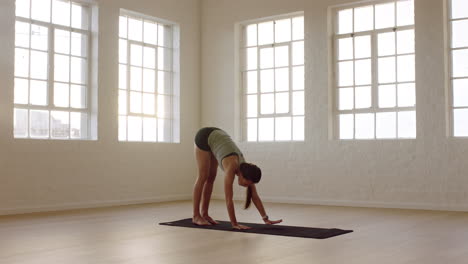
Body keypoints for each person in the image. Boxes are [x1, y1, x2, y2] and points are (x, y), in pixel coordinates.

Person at [192, 127, 282, 230]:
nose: (247, 186)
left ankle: (204, 214)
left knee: (211, 178)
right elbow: (228, 200)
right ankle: (196, 216)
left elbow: (255, 196)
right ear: (243, 176)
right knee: (203, 176)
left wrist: (265, 219)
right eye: (247, 183)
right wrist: (235, 224)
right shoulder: (231, 167)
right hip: (205, 137)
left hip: (217, 138)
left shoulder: (247, 170)